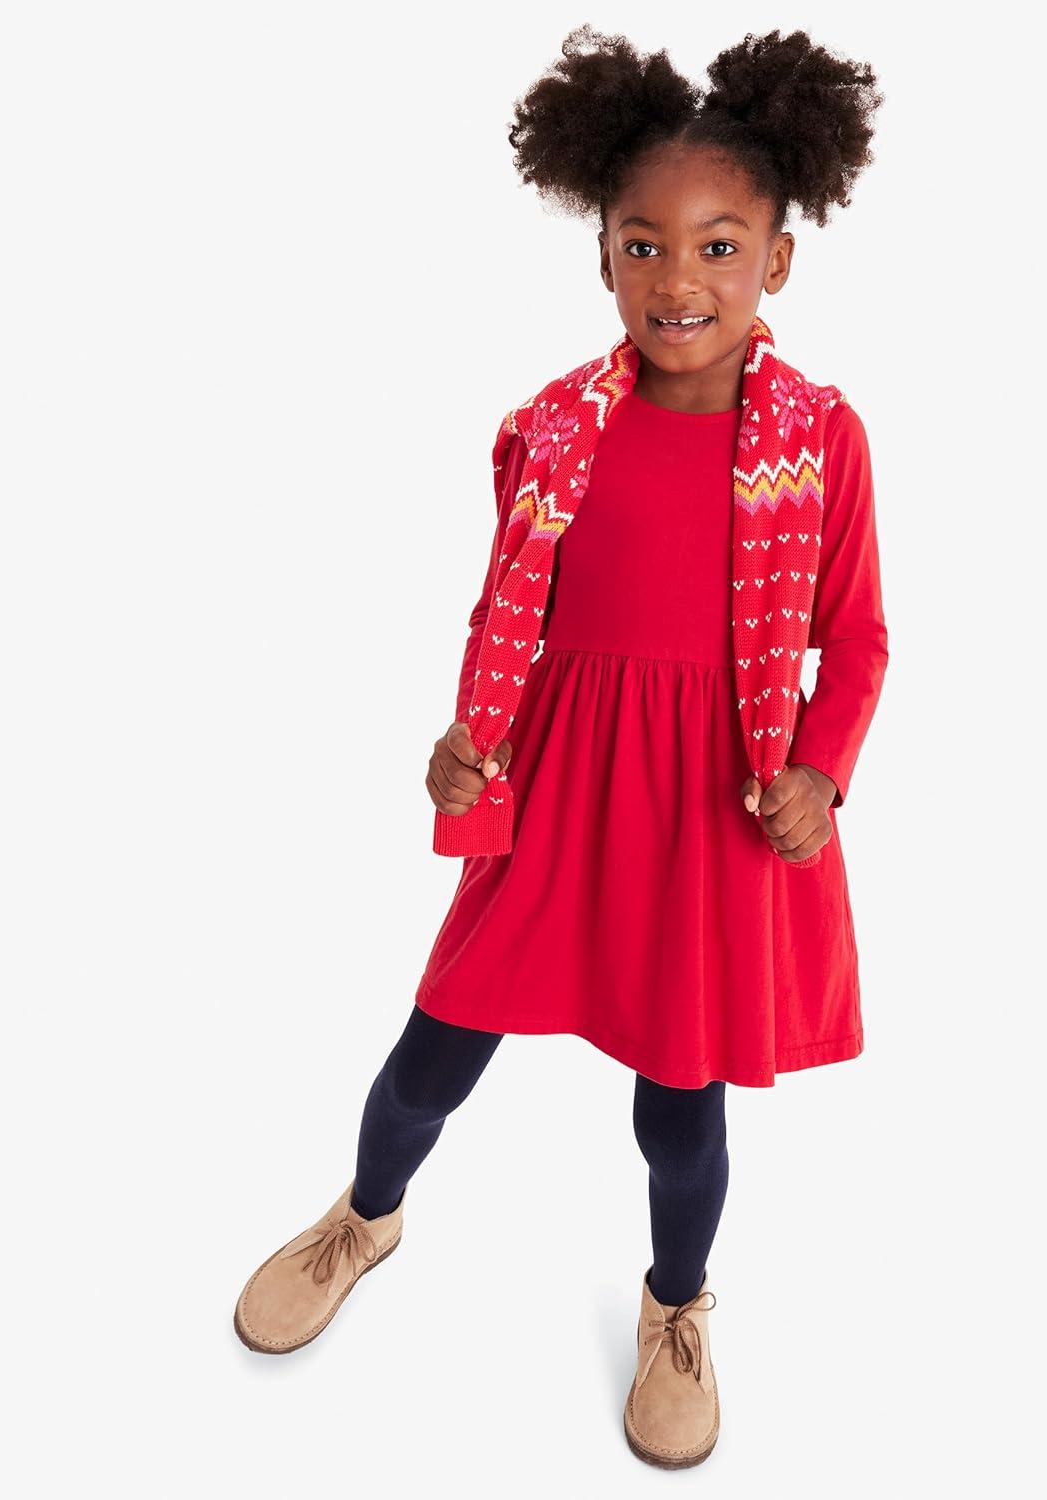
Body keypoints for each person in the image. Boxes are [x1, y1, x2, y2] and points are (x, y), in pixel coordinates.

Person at [233, 25, 888, 1470]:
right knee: (433, 1050)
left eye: (719, 247)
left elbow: (858, 640)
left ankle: (676, 1304)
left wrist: (820, 769)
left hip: (709, 814)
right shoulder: (555, 429)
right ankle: (365, 1216)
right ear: (602, 257)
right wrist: (463, 745)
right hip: (560, 799)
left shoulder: (821, 441)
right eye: (642, 245)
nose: (678, 278)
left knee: (681, 1109)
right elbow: (503, 618)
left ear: (778, 262)